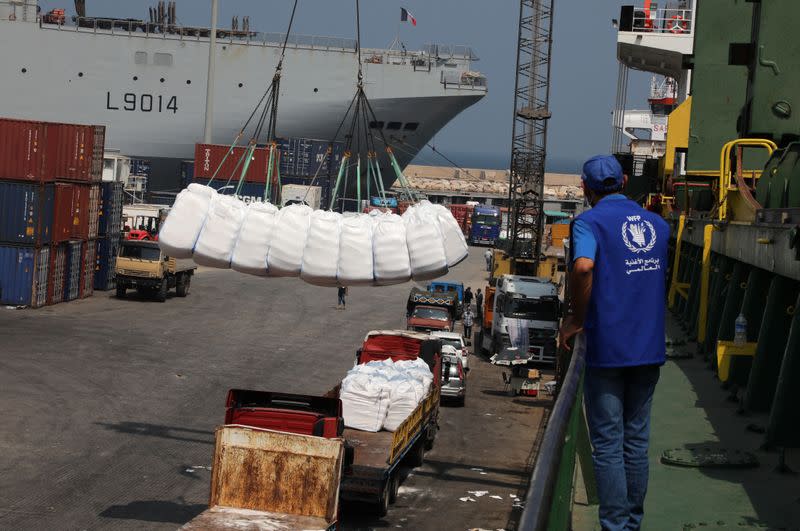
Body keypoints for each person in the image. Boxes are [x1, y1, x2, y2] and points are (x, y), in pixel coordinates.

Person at [558, 155, 669, 531]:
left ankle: (615, 526)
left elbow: (584, 266)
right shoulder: (659, 225)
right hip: (649, 345)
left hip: (608, 346)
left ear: (585, 189)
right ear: (623, 180)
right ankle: (632, 523)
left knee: (607, 443)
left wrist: (574, 319)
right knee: (636, 442)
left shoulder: (588, 222)